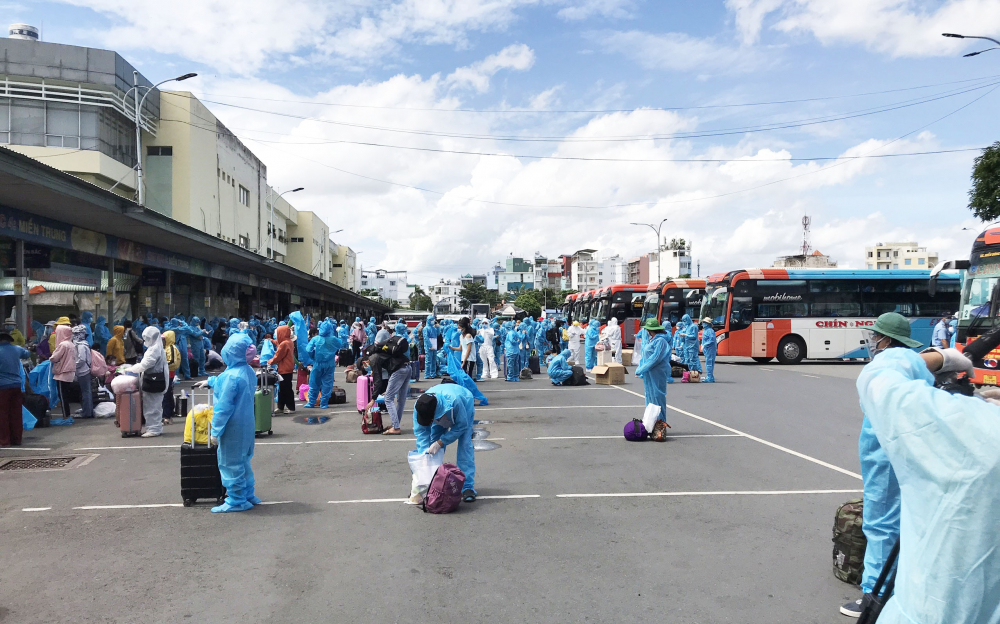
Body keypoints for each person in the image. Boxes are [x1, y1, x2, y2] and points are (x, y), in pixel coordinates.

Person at [854, 325, 1000, 623]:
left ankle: (873, 592)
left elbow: (880, 381)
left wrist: (939, 358)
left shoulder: (970, 426)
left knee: (882, 525)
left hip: (928, 611)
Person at [840, 312, 919, 617]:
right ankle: (893, 586)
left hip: (884, 455)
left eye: (876, 336)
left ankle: (876, 595)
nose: (872, 341)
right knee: (897, 520)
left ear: (887, 339)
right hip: (895, 452)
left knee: (880, 524)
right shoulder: (911, 363)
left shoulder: (888, 366)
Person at [208, 333, 260, 513]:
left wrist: (215, 430)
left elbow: (223, 407)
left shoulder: (230, 376)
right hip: (247, 423)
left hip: (232, 426)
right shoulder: (247, 370)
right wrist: (214, 382)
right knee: (244, 460)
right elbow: (232, 386)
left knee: (230, 462)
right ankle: (247, 493)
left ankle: (237, 500)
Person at [413, 384, 477, 502]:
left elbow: (461, 426)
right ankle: (431, 483)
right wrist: (424, 454)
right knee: (431, 448)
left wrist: (442, 441)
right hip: (439, 413)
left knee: (464, 445)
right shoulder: (420, 406)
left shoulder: (455, 401)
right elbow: (421, 432)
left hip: (464, 404)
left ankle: (467, 486)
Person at [127, 326, 169, 438]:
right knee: (154, 405)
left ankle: (154, 429)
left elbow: (145, 364)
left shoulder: (154, 349)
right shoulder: (156, 347)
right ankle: (155, 427)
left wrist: (130, 369)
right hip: (156, 379)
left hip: (153, 381)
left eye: (147, 337)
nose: (145, 340)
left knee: (152, 405)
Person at [634, 318, 671, 438]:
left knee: (658, 397)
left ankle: (661, 423)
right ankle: (651, 424)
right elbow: (645, 357)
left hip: (657, 372)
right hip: (649, 372)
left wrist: (641, 369)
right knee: (650, 397)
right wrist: (641, 368)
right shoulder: (651, 340)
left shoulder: (661, 341)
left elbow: (655, 359)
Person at [371, 332, 410, 435]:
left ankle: (396, 427)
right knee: (401, 399)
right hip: (407, 367)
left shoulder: (374, 357)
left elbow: (378, 379)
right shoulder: (389, 348)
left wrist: (373, 399)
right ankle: (395, 424)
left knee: (388, 398)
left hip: (399, 370)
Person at [304, 320, 343, 409]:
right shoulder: (333, 339)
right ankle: (324, 403)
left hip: (318, 363)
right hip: (329, 364)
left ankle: (312, 402)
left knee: (314, 382)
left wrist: (313, 356)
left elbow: (308, 350)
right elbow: (340, 344)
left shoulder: (316, 339)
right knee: (327, 383)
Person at [0, 331, 30, 446]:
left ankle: (4, 440)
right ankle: (17, 439)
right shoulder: (17, 349)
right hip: (16, 385)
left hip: (2, 386)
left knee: (3, 414)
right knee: (16, 413)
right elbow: (26, 354)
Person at [48, 324, 77, 425]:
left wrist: (50, 358)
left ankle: (66, 415)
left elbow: (54, 358)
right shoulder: (71, 344)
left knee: (62, 395)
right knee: (66, 395)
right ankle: (67, 414)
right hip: (70, 372)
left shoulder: (63, 345)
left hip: (62, 373)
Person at [271, 325, 296, 414]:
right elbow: (279, 344)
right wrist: (272, 341)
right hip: (287, 368)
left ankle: (290, 407)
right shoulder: (288, 342)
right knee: (283, 388)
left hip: (284, 369)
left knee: (286, 389)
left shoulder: (284, 344)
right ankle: (281, 407)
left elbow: (278, 356)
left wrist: (269, 361)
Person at [162, 330, 182, 425]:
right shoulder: (167, 348)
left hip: (169, 373)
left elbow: (172, 361)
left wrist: (162, 366)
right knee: (168, 394)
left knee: (166, 395)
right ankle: (168, 414)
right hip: (167, 373)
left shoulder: (171, 348)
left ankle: (167, 415)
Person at [701, 318, 717, 383]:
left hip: (710, 349)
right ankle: (710, 376)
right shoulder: (705, 330)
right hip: (707, 349)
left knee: (709, 363)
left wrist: (704, 345)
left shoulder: (710, 331)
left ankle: (709, 377)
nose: (703, 324)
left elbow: (711, 340)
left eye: (704, 322)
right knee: (708, 363)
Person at [423, 315, 440, 379]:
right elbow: (426, 338)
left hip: (434, 343)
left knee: (434, 360)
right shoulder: (426, 328)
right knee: (428, 361)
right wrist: (430, 345)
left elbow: (438, 334)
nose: (432, 321)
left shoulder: (434, 328)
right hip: (429, 346)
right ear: (428, 320)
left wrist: (438, 327)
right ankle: (427, 374)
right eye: (431, 320)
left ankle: (433, 373)